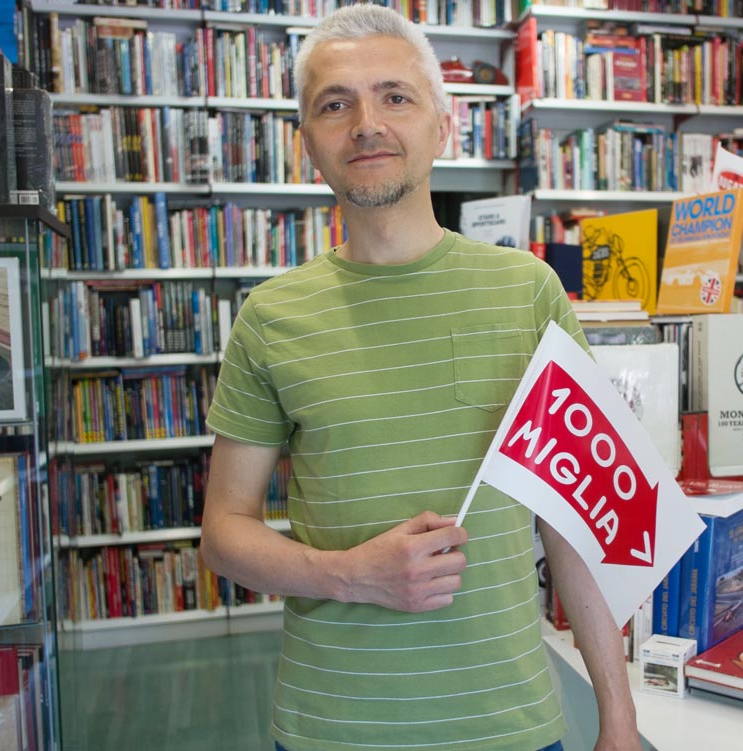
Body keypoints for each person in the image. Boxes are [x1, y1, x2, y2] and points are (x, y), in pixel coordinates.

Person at [200, 5, 641, 751]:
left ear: (443, 126)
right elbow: (223, 533)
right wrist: (350, 575)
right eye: (334, 105)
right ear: (307, 142)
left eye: (395, 96)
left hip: (510, 726)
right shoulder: (270, 317)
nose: (366, 124)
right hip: (331, 729)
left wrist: (619, 722)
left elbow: (572, 521)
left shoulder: (529, 293)